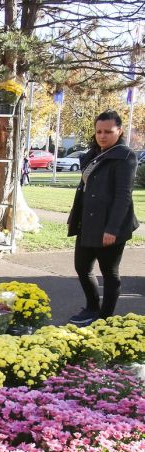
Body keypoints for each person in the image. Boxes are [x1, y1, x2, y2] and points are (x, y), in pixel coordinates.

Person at [67, 110, 139, 326]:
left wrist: (112, 229)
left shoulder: (125, 156)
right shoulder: (93, 154)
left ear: (120, 131)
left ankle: (104, 317)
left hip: (111, 224)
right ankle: (91, 307)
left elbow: (123, 196)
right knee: (82, 267)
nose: (102, 135)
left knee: (109, 272)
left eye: (108, 131)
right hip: (87, 221)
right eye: (99, 131)